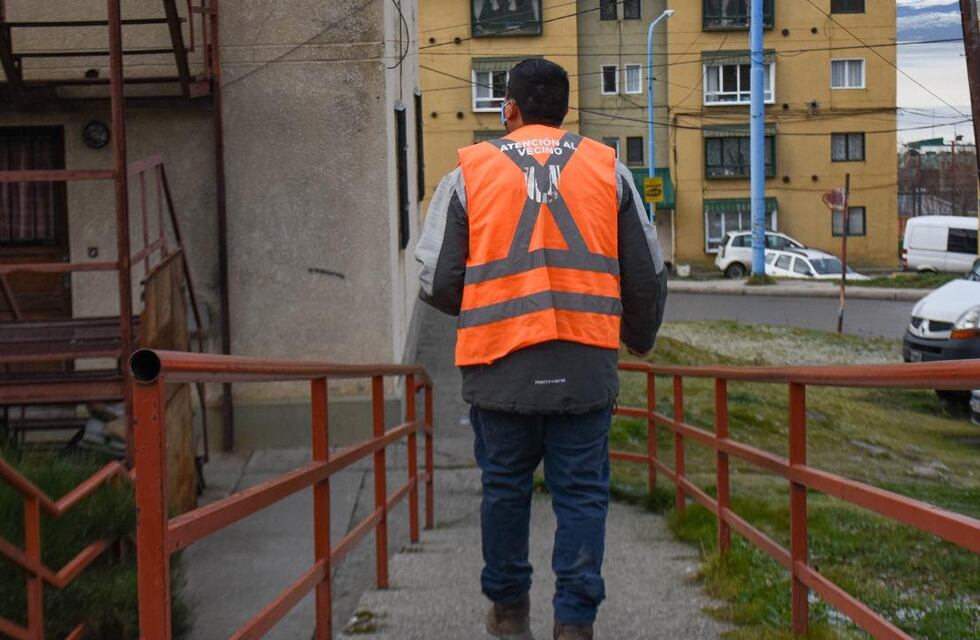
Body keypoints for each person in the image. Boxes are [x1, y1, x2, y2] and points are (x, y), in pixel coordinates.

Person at [415, 58, 667, 640]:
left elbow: (436, 279)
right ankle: (574, 624)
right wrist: (639, 337)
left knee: (504, 490)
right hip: (584, 368)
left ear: (510, 109)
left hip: (498, 366)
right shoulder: (608, 170)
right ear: (563, 112)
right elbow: (647, 276)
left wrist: (487, 302)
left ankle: (508, 613)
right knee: (581, 494)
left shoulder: (469, 173)